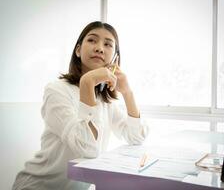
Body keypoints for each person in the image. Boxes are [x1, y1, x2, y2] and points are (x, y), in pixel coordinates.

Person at [12, 21, 148, 190]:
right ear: (78, 50)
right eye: (92, 40)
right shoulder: (56, 90)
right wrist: (87, 82)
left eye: (108, 44)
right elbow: (88, 148)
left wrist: (127, 93)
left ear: (115, 58)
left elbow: (136, 138)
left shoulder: (104, 100)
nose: (99, 48)